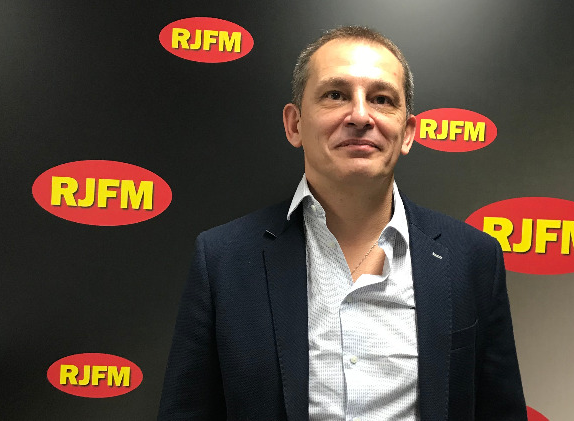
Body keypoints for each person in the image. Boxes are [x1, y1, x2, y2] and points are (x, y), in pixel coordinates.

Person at [158, 26, 526, 420]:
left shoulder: (472, 259)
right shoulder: (224, 260)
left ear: (407, 133)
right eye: (336, 95)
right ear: (295, 124)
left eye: (382, 99)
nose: (361, 116)